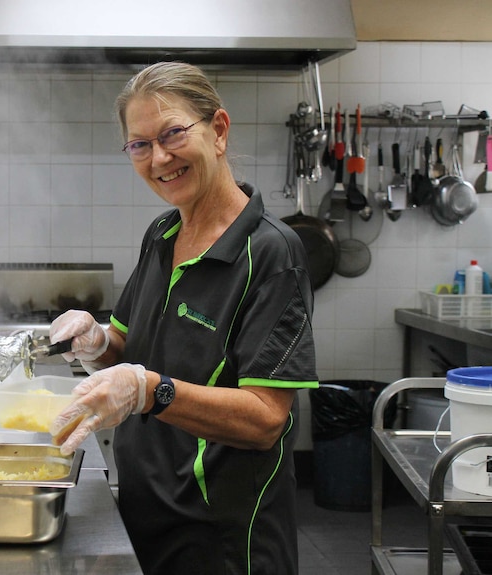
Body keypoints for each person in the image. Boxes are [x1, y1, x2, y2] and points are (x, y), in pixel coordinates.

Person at [48, 62, 318, 575]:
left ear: (217, 131)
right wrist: (94, 341)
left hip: (221, 535)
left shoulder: (271, 253)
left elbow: (265, 419)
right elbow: (126, 347)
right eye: (140, 145)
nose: (160, 158)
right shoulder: (163, 234)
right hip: (145, 506)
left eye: (173, 133)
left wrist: (151, 391)